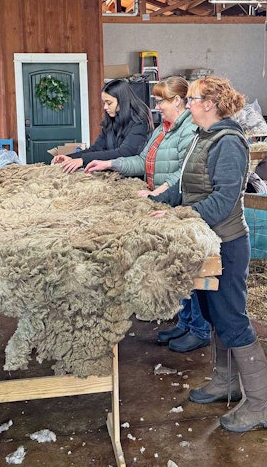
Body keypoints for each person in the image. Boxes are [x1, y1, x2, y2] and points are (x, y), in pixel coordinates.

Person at [148, 76, 267, 433]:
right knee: (211, 311)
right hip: (205, 242)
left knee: (232, 317)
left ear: (210, 103)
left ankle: (261, 404)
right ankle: (226, 381)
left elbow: (223, 200)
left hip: (227, 243)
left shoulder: (229, 143)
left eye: (191, 98)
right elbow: (183, 185)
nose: (187, 104)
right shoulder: (203, 137)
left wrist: (178, 216)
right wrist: (155, 202)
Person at [85, 76, 210, 353]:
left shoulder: (189, 130)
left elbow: (185, 171)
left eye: (161, 100)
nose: (157, 106)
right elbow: (142, 160)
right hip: (162, 204)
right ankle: (185, 321)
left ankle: (200, 328)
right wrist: (110, 163)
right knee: (176, 265)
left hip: (179, 205)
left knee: (191, 265)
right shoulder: (163, 130)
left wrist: (161, 191)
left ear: (177, 101)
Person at [52, 79, 152, 173]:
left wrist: (83, 160)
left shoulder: (140, 121)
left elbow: (125, 152)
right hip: (112, 175)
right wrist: (71, 157)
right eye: (104, 103)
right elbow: (96, 148)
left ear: (123, 101)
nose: (105, 107)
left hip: (133, 177)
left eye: (109, 103)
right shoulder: (111, 120)